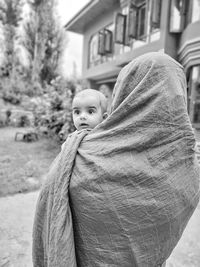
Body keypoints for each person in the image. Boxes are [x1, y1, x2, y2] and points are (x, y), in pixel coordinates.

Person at [32, 52, 200, 267]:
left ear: (124, 92)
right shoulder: (187, 166)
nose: (82, 117)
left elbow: (50, 209)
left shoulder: (80, 155)